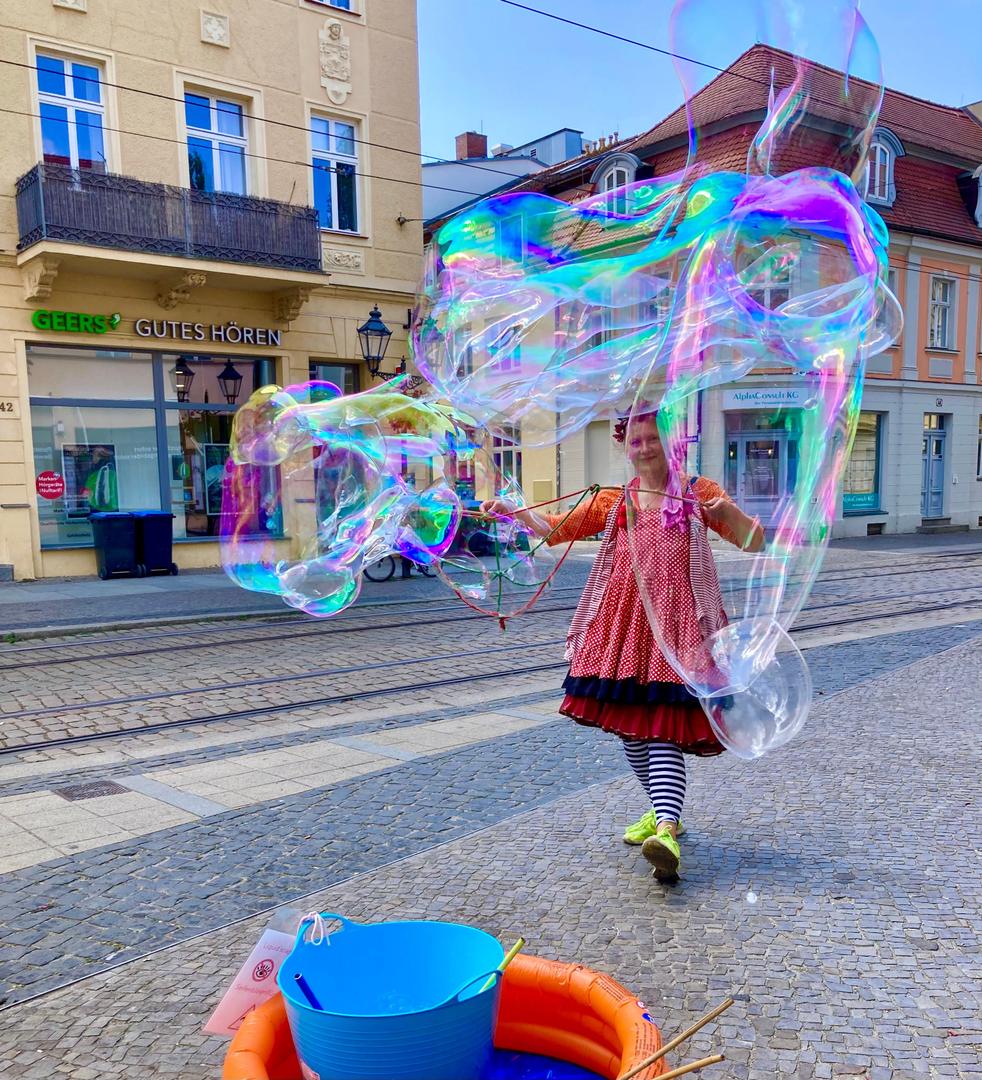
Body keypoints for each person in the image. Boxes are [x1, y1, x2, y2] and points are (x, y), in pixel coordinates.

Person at [481, 411, 763, 881]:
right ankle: (660, 809)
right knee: (632, 730)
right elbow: (556, 528)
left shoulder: (698, 492)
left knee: (661, 729)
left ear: (672, 444)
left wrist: (728, 515)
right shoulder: (617, 500)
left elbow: (755, 542)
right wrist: (515, 513)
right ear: (624, 446)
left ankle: (668, 831)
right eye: (636, 441)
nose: (645, 448)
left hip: (679, 626)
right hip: (622, 627)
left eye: (654, 439)